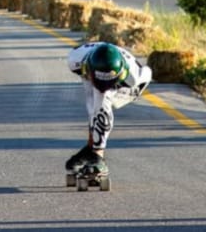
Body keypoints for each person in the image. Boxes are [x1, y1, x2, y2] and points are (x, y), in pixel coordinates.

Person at [65, 41, 153, 175]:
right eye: (100, 81)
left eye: (107, 82)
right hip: (92, 71)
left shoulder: (133, 77)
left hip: (126, 86)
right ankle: (91, 149)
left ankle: (98, 155)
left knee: (102, 101)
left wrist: (112, 90)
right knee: (92, 102)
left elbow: (147, 74)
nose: (103, 86)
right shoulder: (75, 61)